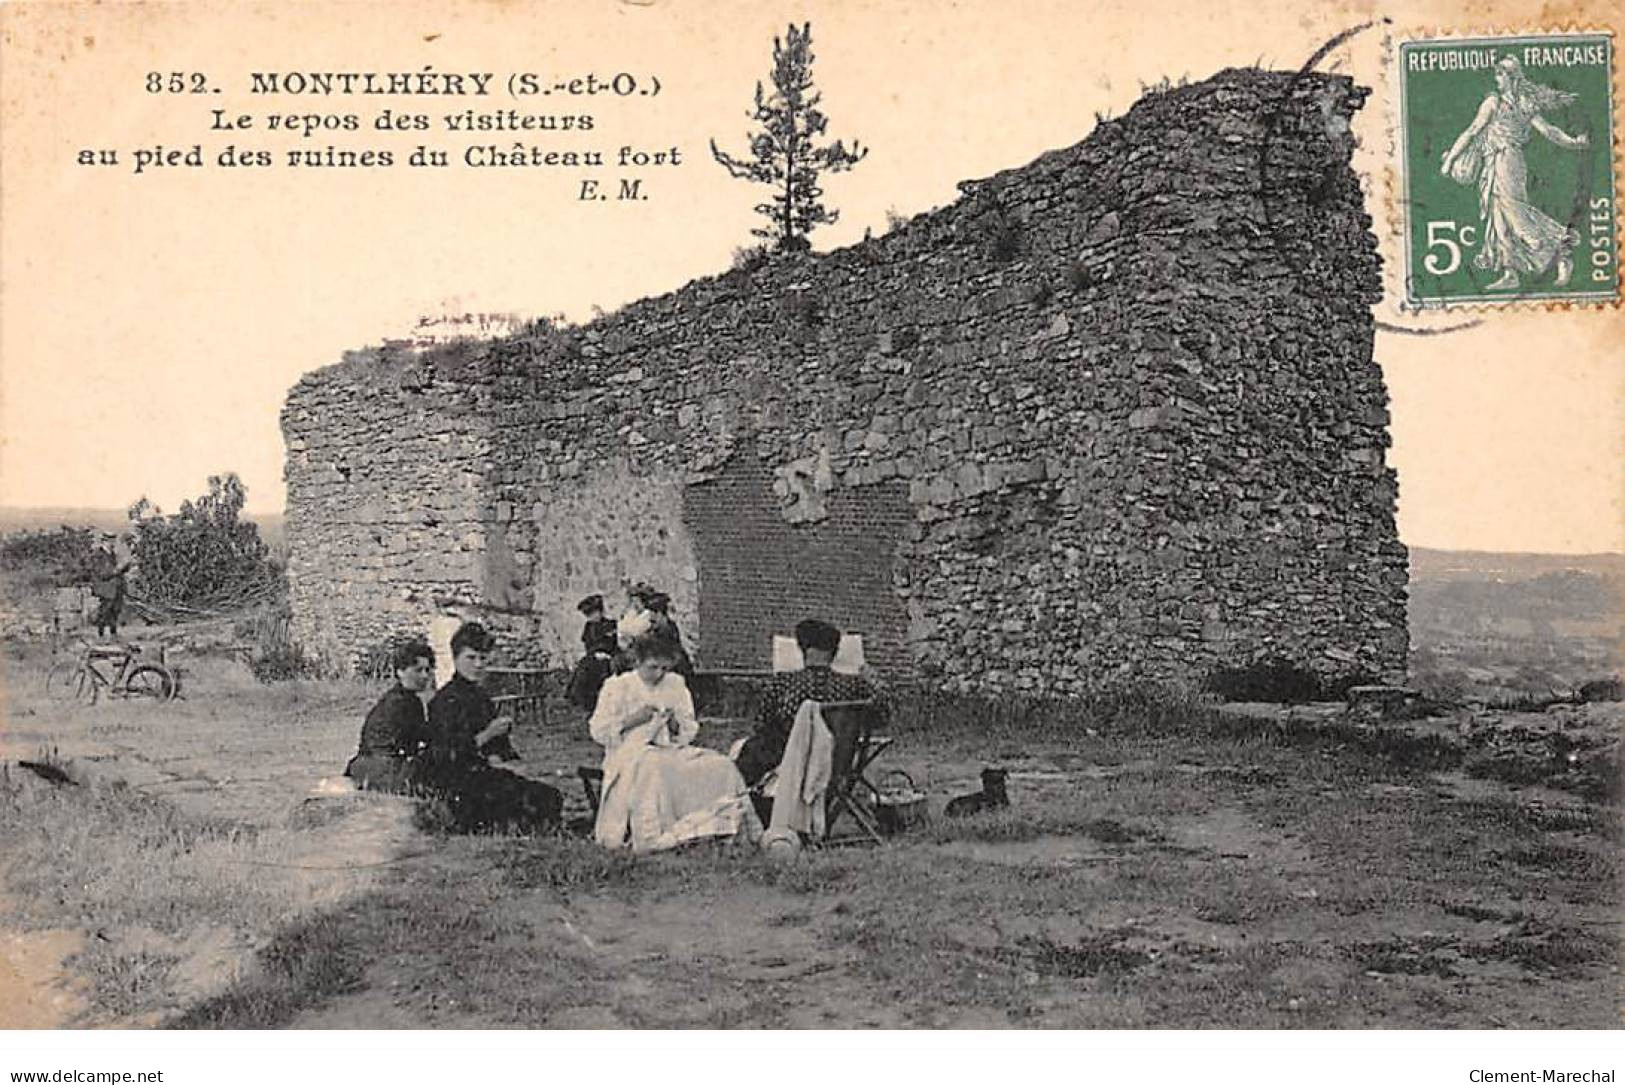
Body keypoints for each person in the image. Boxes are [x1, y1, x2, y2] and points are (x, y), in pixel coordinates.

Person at [588, 631, 759, 852]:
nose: (659, 674)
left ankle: (713, 827)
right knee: (654, 768)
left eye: (665, 668)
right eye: (652, 667)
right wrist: (632, 720)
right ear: (637, 662)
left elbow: (689, 726)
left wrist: (676, 727)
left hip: (668, 750)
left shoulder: (675, 684)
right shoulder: (618, 686)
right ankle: (658, 836)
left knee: (720, 765)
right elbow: (598, 731)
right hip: (628, 754)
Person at [1440, 55, 1590, 291]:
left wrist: (1449, 160)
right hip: (1494, 162)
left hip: (1508, 161)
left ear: (1511, 77)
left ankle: (1560, 252)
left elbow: (1547, 130)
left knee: (1515, 213)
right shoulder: (1502, 102)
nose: (1496, 78)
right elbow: (1473, 132)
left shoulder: (1512, 102)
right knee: (1498, 217)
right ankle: (1510, 272)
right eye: (1497, 73)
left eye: (1501, 74)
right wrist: (1573, 142)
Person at [422, 622, 562, 834]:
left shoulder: (482, 697)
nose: (478, 665)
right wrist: (487, 735)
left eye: (483, 658)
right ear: (455, 658)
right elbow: (445, 754)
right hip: (456, 781)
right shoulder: (443, 701)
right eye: (471, 658)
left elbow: (497, 748)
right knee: (525, 803)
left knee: (549, 796)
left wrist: (501, 758)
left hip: (486, 774)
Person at [734, 618, 883, 792]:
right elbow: (882, 714)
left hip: (789, 767)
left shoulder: (782, 682)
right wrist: (872, 678)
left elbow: (761, 724)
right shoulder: (855, 685)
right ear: (834, 654)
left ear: (803, 650)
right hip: (835, 766)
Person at [344, 639, 435, 794]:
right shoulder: (402, 703)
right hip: (382, 768)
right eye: (418, 670)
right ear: (400, 672)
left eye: (428, 670)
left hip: (364, 766)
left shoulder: (400, 697)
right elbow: (422, 738)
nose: (425, 676)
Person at [565, 594, 618, 710]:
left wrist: (605, 653)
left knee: (597, 668)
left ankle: (597, 699)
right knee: (584, 668)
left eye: (593, 614)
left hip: (608, 657)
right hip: (593, 656)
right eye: (588, 615)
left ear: (600, 611)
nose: (591, 617)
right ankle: (582, 699)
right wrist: (592, 653)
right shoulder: (589, 626)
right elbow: (588, 644)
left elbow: (612, 644)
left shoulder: (611, 624)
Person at [87, 539, 131, 639]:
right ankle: (100, 634)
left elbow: (116, 572)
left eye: (113, 541)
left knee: (115, 611)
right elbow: (102, 573)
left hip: (115, 588)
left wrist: (125, 567)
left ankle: (113, 633)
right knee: (105, 612)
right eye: (109, 541)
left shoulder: (112, 555)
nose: (112, 544)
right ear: (103, 542)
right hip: (105, 589)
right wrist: (117, 569)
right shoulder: (98, 556)